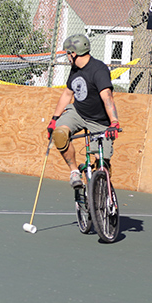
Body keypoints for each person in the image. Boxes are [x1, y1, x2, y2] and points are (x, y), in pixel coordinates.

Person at [46, 33, 120, 188]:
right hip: (78, 113)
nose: (67, 57)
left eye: (67, 53)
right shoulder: (75, 69)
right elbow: (67, 93)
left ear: (74, 53)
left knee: (101, 164)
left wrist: (114, 122)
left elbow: (107, 97)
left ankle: (101, 195)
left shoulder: (98, 69)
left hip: (100, 121)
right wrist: (54, 120)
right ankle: (74, 171)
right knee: (59, 134)